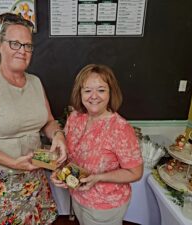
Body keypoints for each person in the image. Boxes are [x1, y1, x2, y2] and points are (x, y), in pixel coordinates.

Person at [0, 13, 67, 224]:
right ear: (0, 44)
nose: (22, 51)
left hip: (33, 177)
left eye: (27, 46)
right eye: (15, 43)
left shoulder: (35, 82)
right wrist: (12, 162)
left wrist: (58, 135)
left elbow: (48, 121)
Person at [51, 64, 143, 225]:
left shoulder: (120, 129)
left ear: (110, 92)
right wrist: (59, 171)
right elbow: (71, 156)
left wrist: (98, 178)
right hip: (78, 197)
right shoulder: (75, 117)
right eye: (87, 90)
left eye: (101, 90)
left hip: (105, 206)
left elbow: (135, 173)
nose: (94, 96)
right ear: (80, 93)